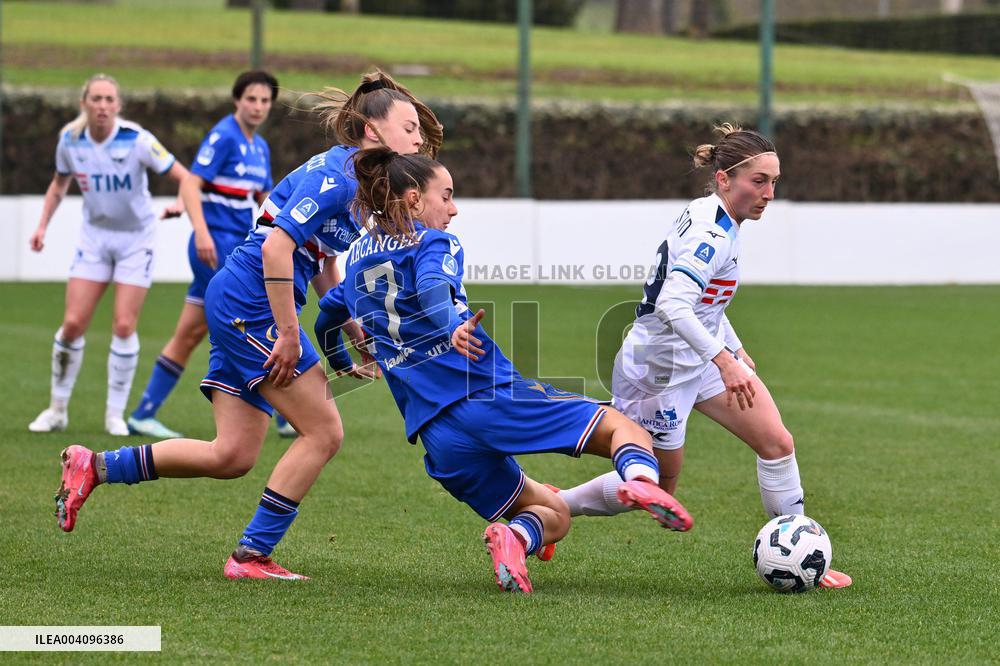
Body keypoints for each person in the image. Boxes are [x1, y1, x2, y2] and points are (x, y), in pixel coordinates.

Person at [54, 72, 443, 582]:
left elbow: (321, 259)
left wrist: (352, 330)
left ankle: (96, 466)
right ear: (372, 130)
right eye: (409, 127)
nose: (418, 138)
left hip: (244, 299)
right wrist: (288, 333)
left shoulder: (361, 179)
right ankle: (251, 556)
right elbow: (276, 248)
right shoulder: (340, 179)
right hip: (250, 302)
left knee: (232, 454)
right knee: (324, 432)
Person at [314, 147, 694, 595]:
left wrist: (343, 360)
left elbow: (325, 318)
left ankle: (514, 538)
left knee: (556, 515)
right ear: (414, 199)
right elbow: (433, 288)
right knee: (625, 430)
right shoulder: (432, 241)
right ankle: (642, 482)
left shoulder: (356, 259)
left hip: (437, 437)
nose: (454, 209)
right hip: (486, 395)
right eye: (446, 196)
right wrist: (452, 326)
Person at [554, 123, 852, 589]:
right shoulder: (711, 234)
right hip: (658, 370)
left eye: (774, 182)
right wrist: (725, 360)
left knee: (777, 443)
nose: (769, 194)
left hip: (699, 357)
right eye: (759, 181)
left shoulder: (716, 215)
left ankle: (805, 554)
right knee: (658, 487)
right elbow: (673, 303)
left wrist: (733, 346)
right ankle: (551, 504)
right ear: (724, 179)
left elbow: (704, 302)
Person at [28, 73, 189, 437]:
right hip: (95, 238)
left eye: (109, 100)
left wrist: (181, 203)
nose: (102, 106)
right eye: (96, 99)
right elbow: (59, 185)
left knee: (123, 325)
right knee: (72, 324)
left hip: (136, 240)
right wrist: (41, 226)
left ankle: (114, 415)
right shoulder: (70, 141)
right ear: (84, 103)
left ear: (118, 106)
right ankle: (56, 410)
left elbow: (184, 176)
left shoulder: (137, 140)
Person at [127, 71, 279, 439]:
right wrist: (202, 232)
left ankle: (143, 414)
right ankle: (283, 409)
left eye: (264, 100)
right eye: (251, 99)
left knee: (191, 331)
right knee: (256, 318)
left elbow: (265, 198)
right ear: (236, 100)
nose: (258, 106)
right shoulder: (224, 135)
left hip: (236, 247)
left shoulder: (259, 147)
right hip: (216, 247)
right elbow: (191, 184)